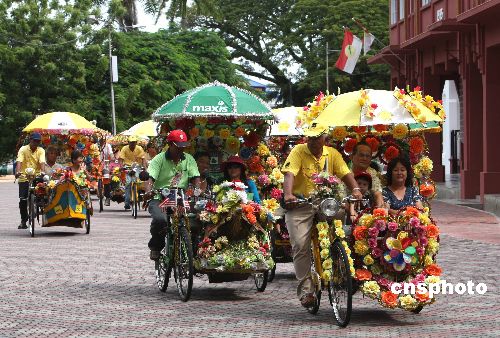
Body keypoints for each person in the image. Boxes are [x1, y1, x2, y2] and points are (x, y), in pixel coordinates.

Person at [282, 123, 363, 308]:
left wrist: (356, 189)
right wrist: (288, 195)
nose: (313, 141)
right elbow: (289, 174)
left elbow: (345, 173)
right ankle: (306, 291)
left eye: (317, 137)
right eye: (310, 137)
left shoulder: (332, 154)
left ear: (324, 138)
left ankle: (341, 268)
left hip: (326, 203)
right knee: (300, 245)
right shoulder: (298, 151)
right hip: (301, 203)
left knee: (342, 235)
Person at [144, 130, 200, 260]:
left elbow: (195, 177)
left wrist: (197, 189)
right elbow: (150, 179)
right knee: (160, 220)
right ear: (170, 144)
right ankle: (156, 247)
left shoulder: (189, 158)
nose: (181, 149)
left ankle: (194, 251)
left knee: (198, 219)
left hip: (181, 197)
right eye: (178, 146)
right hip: (160, 197)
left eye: (183, 146)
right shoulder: (159, 159)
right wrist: (148, 191)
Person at [15, 132, 49, 229]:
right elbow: (19, 161)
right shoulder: (23, 149)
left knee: (42, 195)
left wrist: (43, 171)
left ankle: (41, 209)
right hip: (24, 176)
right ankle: (23, 221)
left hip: (36, 176)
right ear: (30, 140)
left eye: (38, 141)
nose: (36, 143)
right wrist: (18, 172)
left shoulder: (41, 150)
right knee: (23, 199)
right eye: (34, 141)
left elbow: (42, 161)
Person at [350, 141, 384, 207]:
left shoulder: (373, 173)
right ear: (352, 157)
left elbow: (377, 192)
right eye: (361, 155)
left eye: (367, 156)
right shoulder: (344, 173)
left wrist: (379, 199)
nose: (364, 158)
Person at [118, 136, 146, 210]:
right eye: (131, 142)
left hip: (137, 167)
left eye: (134, 142)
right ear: (128, 142)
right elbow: (121, 159)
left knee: (140, 183)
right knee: (128, 183)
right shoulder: (124, 148)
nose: (132, 144)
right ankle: (127, 202)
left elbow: (143, 159)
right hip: (128, 167)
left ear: (136, 143)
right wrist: (121, 166)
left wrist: (144, 168)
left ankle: (141, 196)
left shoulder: (139, 148)